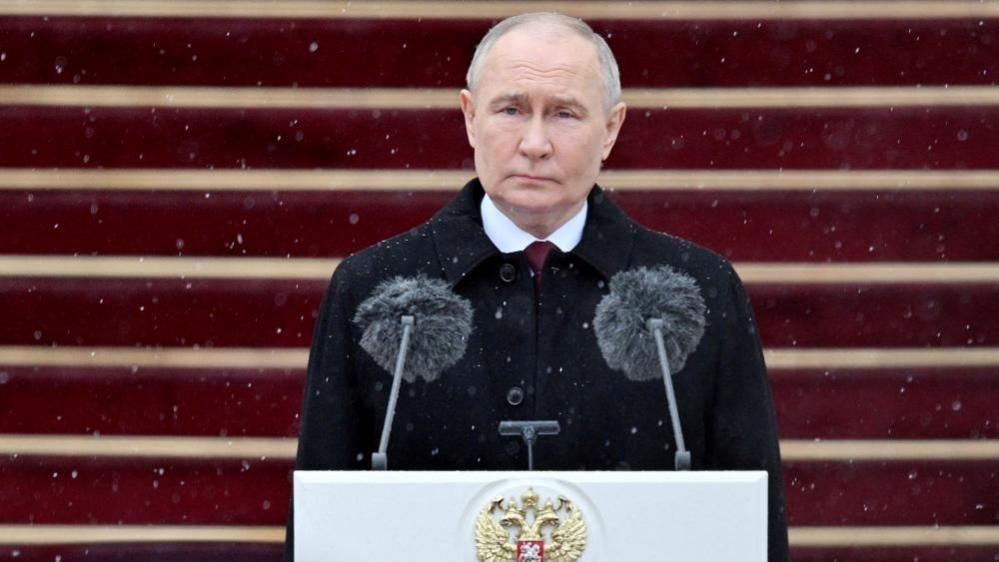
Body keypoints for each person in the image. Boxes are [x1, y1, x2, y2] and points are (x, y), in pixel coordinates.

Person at [286, 12, 790, 561]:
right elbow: (323, 514)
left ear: (612, 129)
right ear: (470, 117)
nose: (535, 143)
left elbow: (752, 519)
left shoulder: (697, 290)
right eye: (511, 109)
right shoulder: (373, 287)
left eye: (565, 114)